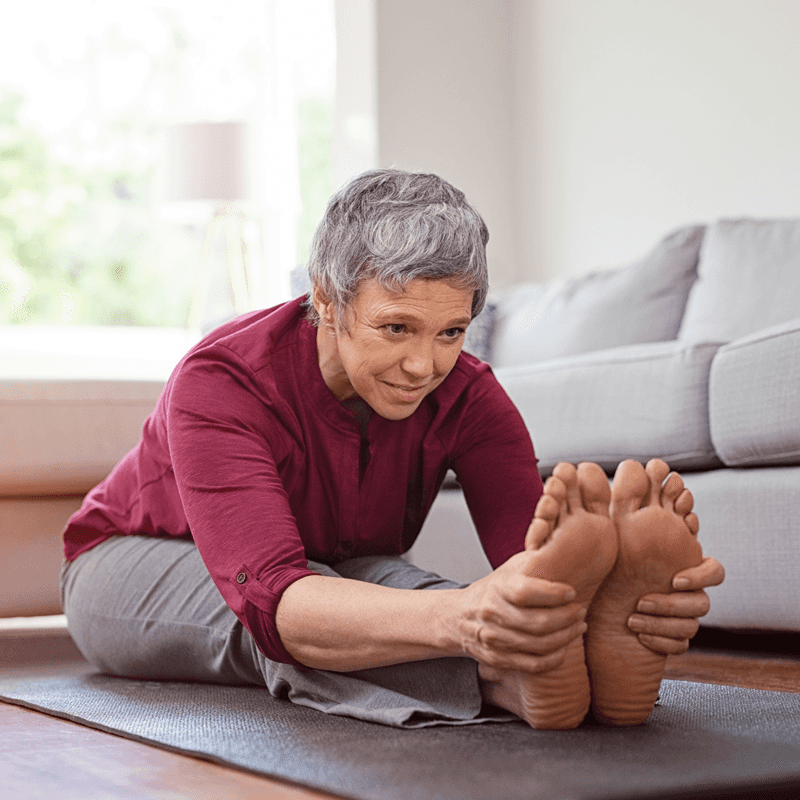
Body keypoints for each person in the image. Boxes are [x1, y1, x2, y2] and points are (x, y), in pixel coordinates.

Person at [60, 169, 724, 730]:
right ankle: (503, 683)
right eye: (396, 327)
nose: (423, 365)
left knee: (412, 594)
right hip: (136, 561)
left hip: (334, 566)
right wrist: (468, 618)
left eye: (451, 331)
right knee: (316, 622)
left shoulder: (471, 395)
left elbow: (533, 567)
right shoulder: (222, 380)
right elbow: (274, 597)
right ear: (327, 300)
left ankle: (543, 667)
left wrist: (614, 605)